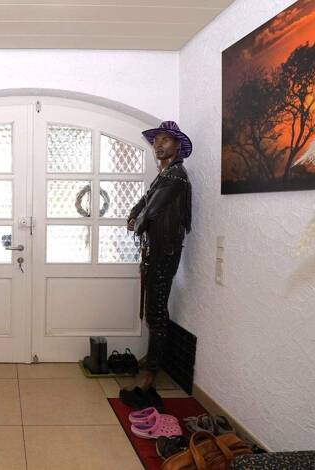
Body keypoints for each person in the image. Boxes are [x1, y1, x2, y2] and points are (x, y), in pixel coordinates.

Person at [119, 121, 192, 408]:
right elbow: (144, 203)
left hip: (165, 251)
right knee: (155, 309)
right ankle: (151, 360)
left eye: (166, 140)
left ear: (178, 146)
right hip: (157, 249)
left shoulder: (176, 176)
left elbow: (152, 209)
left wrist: (138, 222)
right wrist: (134, 215)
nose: (159, 145)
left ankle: (150, 374)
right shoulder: (164, 175)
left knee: (156, 312)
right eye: (156, 140)